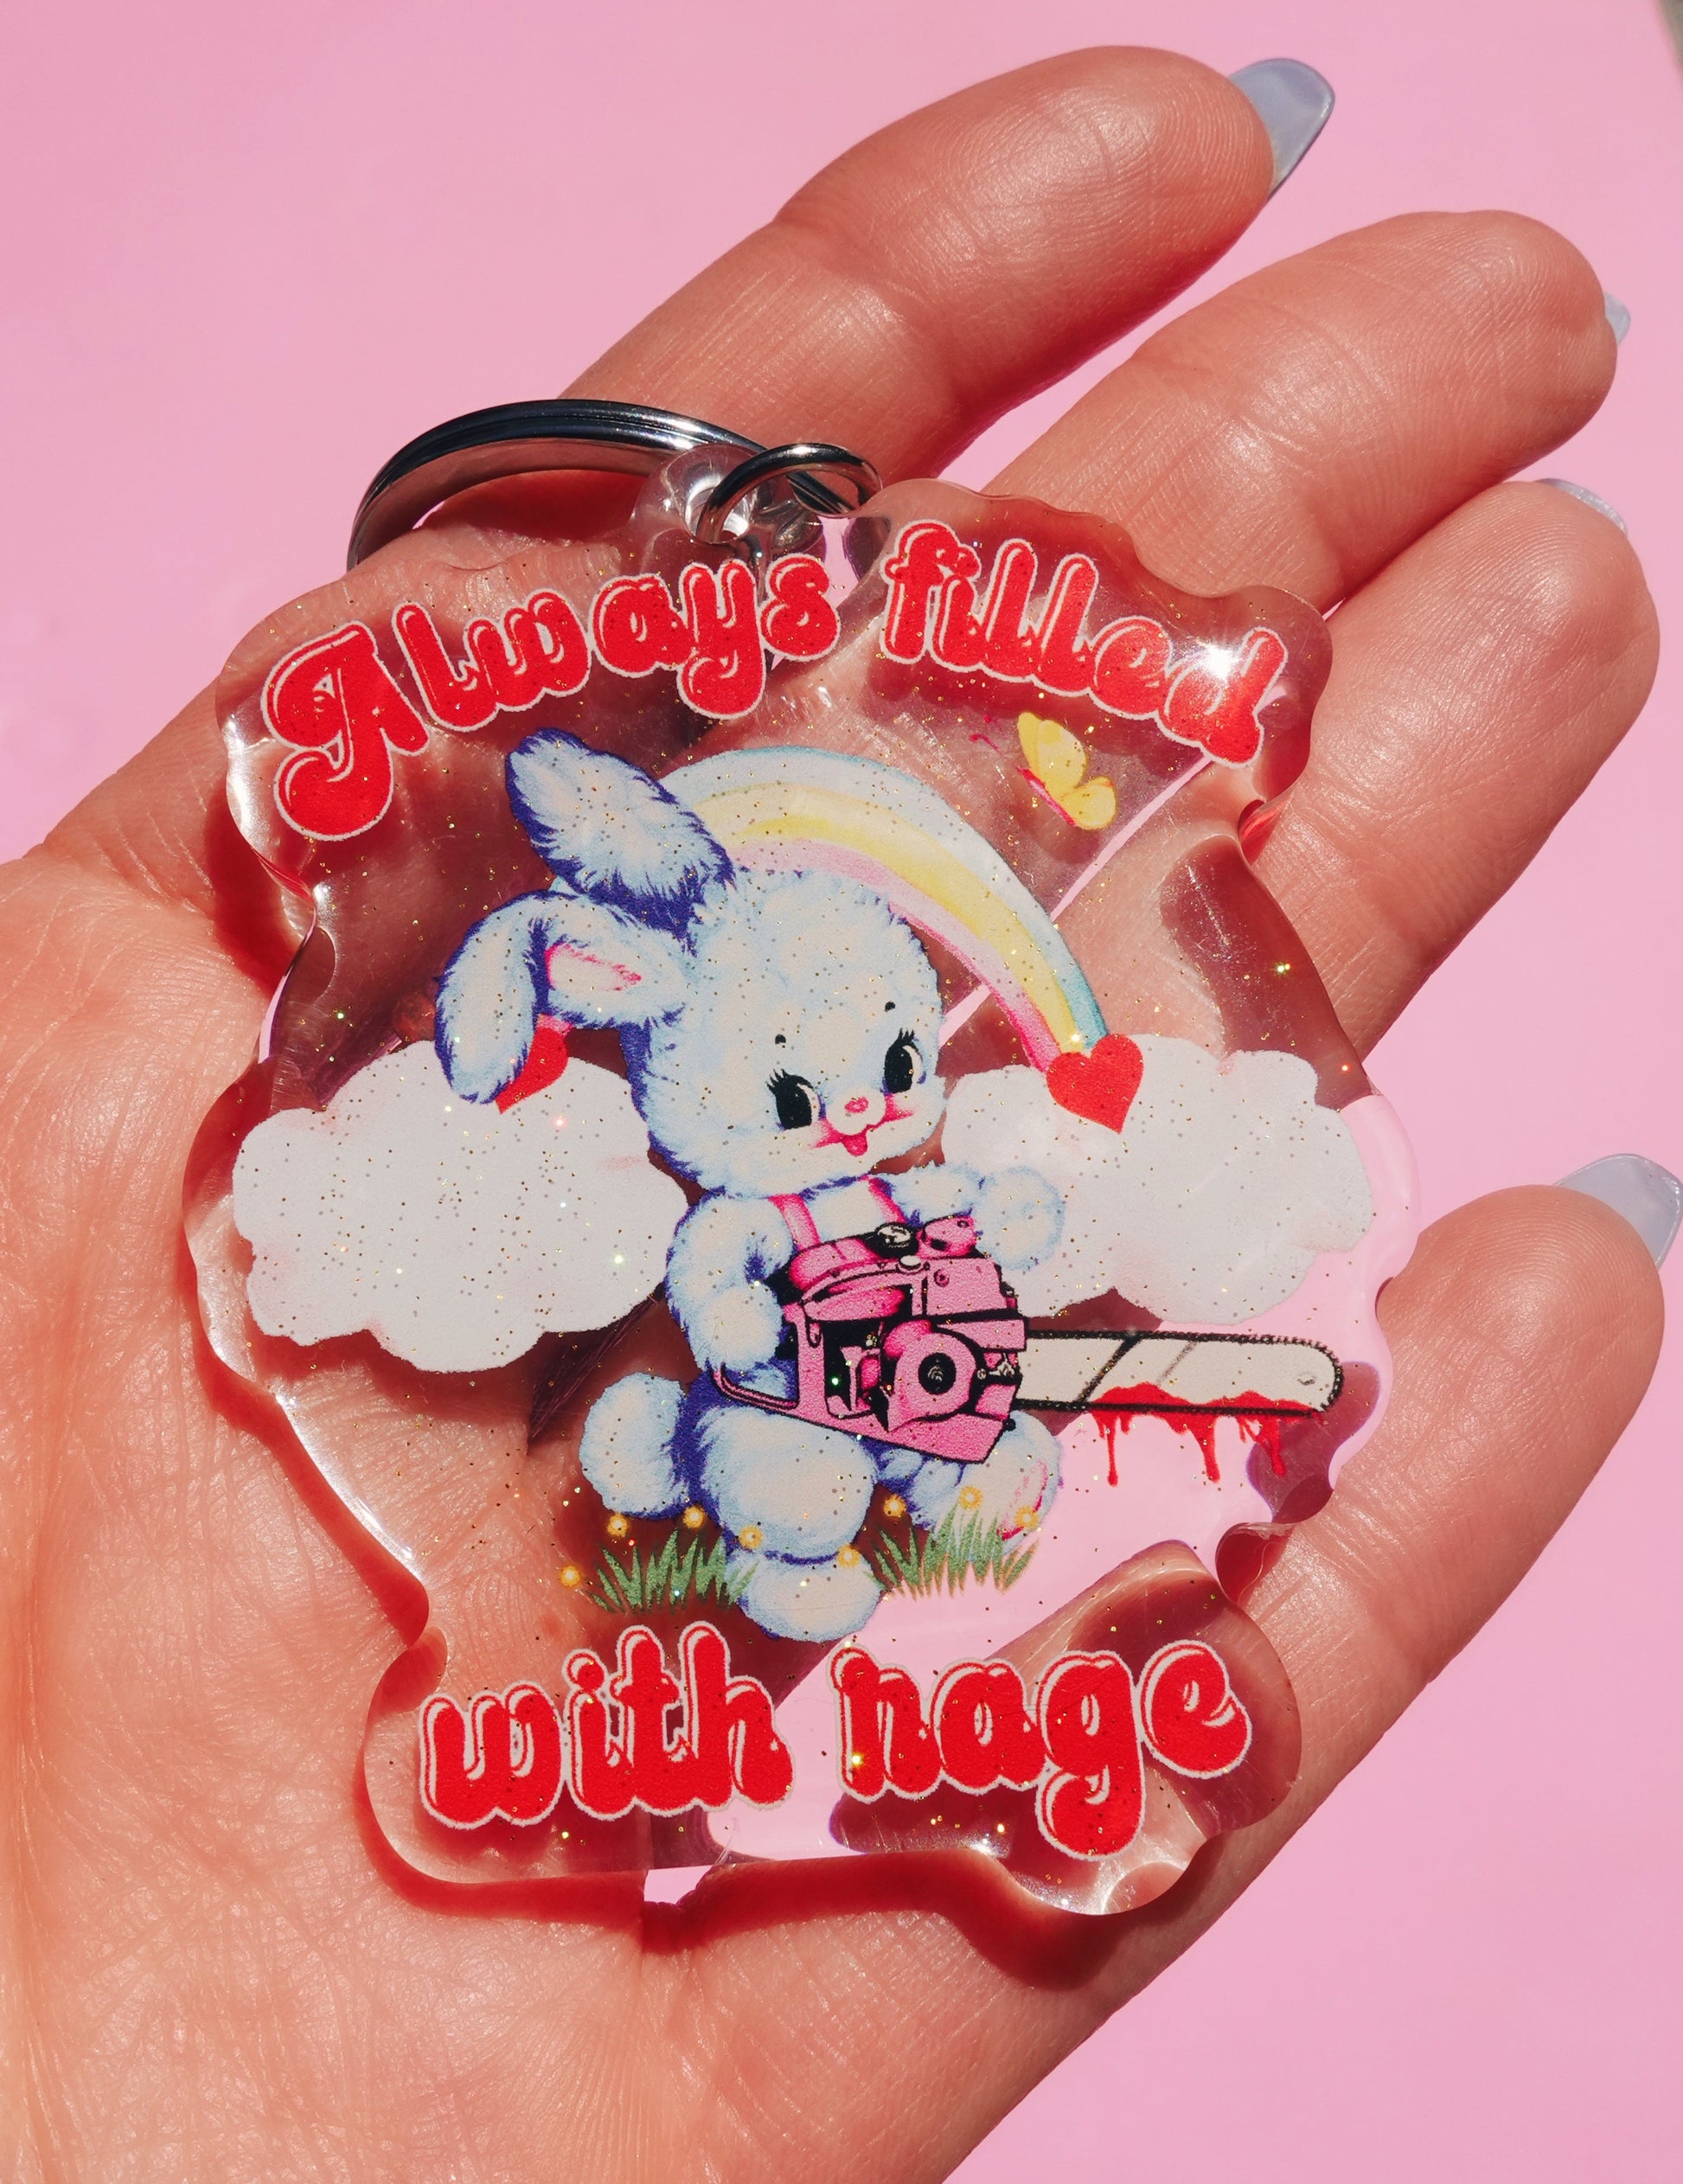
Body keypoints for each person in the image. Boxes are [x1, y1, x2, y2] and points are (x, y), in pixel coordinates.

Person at [0, 46, 1667, 2181]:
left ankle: (848, 1495)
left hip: (923, 1419)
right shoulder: (718, 1191)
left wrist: (1029, 1221)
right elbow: (715, 1270)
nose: (874, 1105)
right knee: (748, 1453)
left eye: (892, 1058)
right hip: (774, 1417)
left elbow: (1003, 1217)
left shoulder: (922, 1137)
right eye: (815, 1084)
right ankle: (749, 1494)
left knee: (963, 1454)